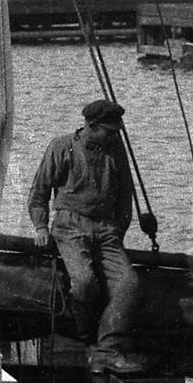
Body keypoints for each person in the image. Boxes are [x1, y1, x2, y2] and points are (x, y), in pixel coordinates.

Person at [24, 96, 150, 363]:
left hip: (106, 229)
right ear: (92, 126)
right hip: (70, 226)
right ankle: (86, 339)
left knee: (130, 284)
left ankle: (107, 348)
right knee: (83, 284)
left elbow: (125, 196)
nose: (114, 136)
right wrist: (40, 225)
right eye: (109, 131)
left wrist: (118, 231)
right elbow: (39, 192)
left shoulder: (115, 149)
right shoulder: (62, 147)